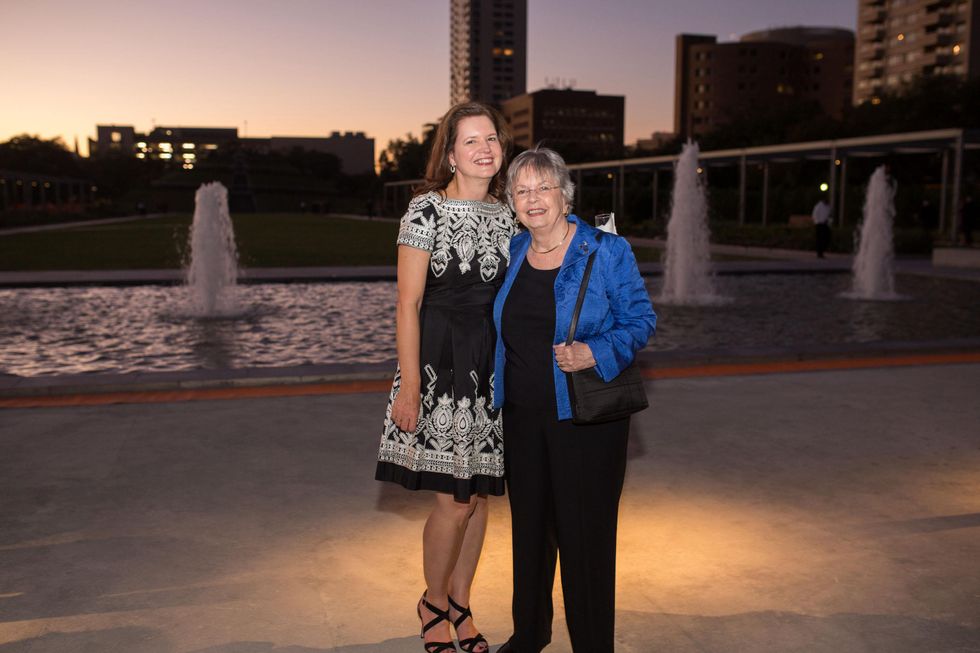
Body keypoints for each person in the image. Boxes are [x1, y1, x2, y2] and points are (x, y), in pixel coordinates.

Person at [491, 147, 657, 652]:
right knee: (530, 531)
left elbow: (641, 320)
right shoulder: (516, 252)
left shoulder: (605, 251)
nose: (533, 198)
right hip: (522, 418)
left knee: (585, 539)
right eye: (521, 190)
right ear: (512, 202)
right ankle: (530, 634)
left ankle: (591, 645)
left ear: (565, 193)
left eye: (543, 187)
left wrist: (596, 350)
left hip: (585, 421)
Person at [375, 101, 515, 653]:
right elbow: (406, 304)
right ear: (451, 154)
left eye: (492, 140)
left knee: (478, 495)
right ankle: (433, 602)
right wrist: (410, 387)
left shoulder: (508, 214)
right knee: (451, 501)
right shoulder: (425, 211)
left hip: (489, 365)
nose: (484, 149)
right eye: (472, 141)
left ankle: (461, 602)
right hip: (438, 366)